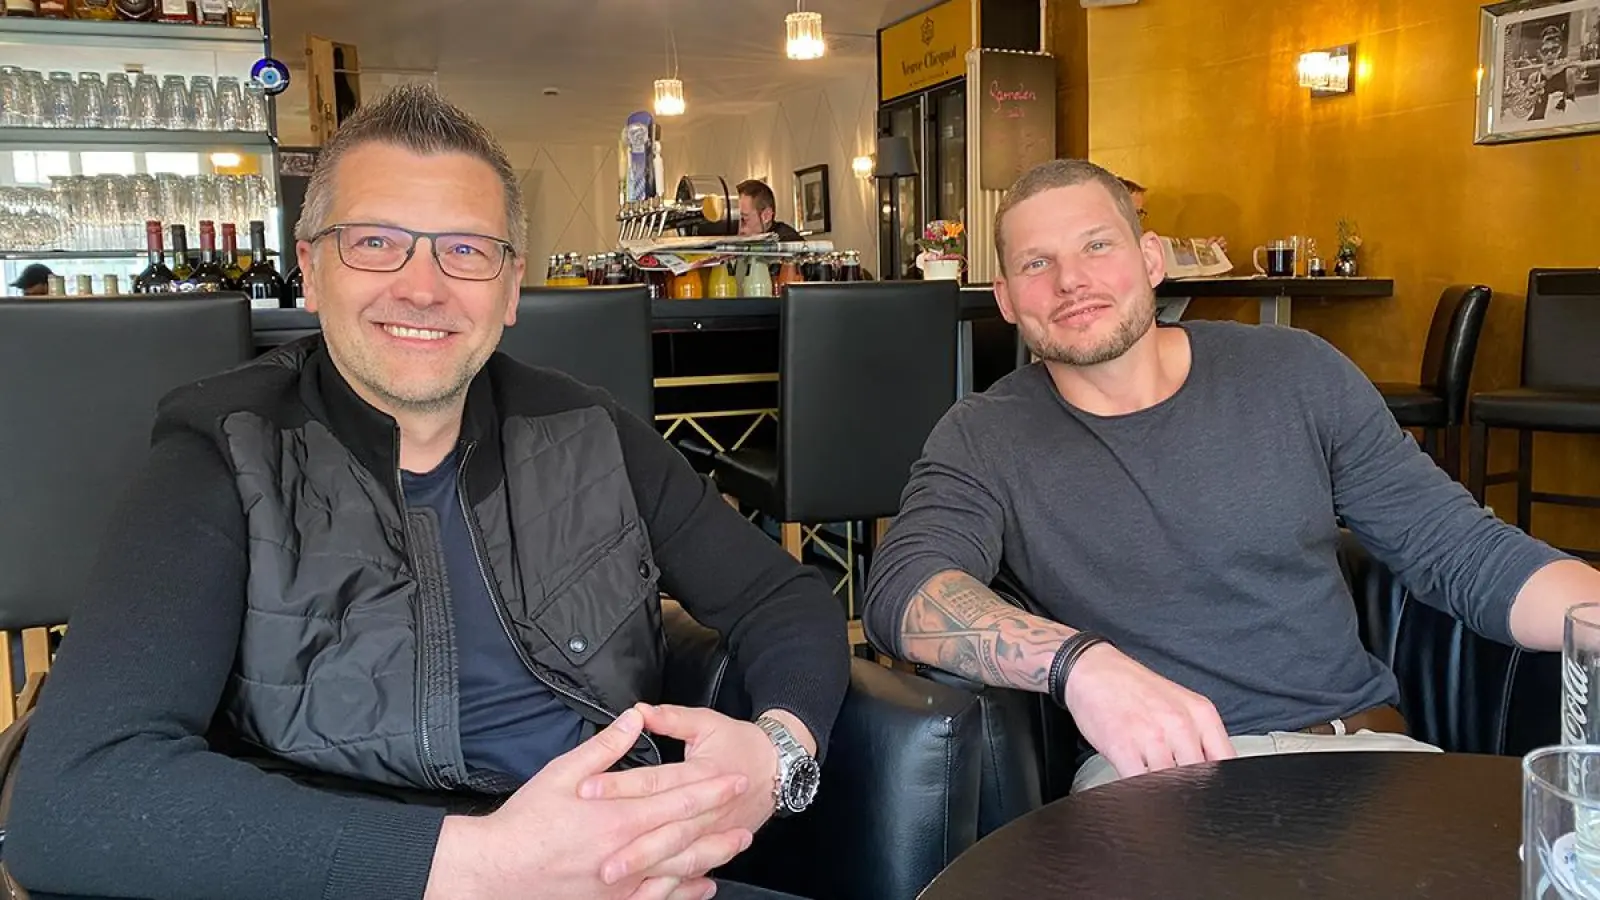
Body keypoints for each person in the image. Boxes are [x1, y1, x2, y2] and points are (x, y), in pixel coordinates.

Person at [6, 84, 849, 900]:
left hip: (627, 872)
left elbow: (784, 597)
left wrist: (778, 752)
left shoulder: (589, 430)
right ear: (310, 268)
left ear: (511, 288)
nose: (422, 286)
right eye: (375, 241)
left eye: (467, 250)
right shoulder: (222, 456)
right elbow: (78, 793)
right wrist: (481, 866)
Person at [862, 158, 1600, 794]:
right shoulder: (985, 435)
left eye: (1097, 245)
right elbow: (903, 587)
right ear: (1005, 300)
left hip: (1364, 758)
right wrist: (1078, 667)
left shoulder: (1295, 373)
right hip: (1158, 778)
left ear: (1151, 259)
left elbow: (1461, 550)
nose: (1071, 281)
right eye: (1036, 264)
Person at [735, 180, 803, 242]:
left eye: (743, 220)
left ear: (766, 216)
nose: (738, 229)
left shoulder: (789, 242)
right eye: (735, 221)